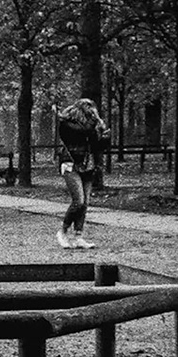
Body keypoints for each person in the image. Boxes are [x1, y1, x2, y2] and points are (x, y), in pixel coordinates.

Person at [54, 98, 110, 250]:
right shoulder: (67, 124)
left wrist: (104, 137)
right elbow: (80, 132)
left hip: (87, 165)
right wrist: (95, 124)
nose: (92, 115)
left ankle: (78, 236)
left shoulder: (90, 127)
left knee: (84, 204)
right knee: (78, 200)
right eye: (89, 112)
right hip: (70, 164)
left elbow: (95, 145)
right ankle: (63, 231)